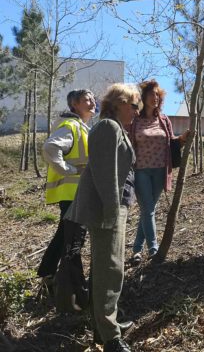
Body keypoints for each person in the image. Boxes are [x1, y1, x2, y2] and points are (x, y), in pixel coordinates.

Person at [65, 83, 140, 352]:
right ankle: (110, 338)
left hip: (114, 208)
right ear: (118, 103)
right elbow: (106, 175)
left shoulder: (115, 128)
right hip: (107, 209)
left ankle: (107, 326)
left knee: (110, 269)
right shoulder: (108, 127)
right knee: (110, 271)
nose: (136, 111)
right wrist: (111, 212)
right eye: (133, 105)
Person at [38, 89, 96, 282]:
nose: (92, 102)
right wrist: (70, 170)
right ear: (75, 105)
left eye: (93, 99)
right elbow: (50, 147)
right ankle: (61, 279)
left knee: (66, 235)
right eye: (87, 100)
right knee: (71, 238)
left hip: (77, 192)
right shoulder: (71, 125)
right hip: (72, 192)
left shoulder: (82, 127)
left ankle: (49, 274)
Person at [129, 80, 189, 262]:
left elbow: (170, 142)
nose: (155, 98)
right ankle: (153, 249)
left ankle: (136, 250)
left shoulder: (163, 120)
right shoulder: (134, 120)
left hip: (161, 170)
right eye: (151, 94)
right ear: (143, 96)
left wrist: (182, 139)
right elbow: (128, 143)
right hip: (140, 170)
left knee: (149, 210)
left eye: (157, 95)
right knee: (147, 209)